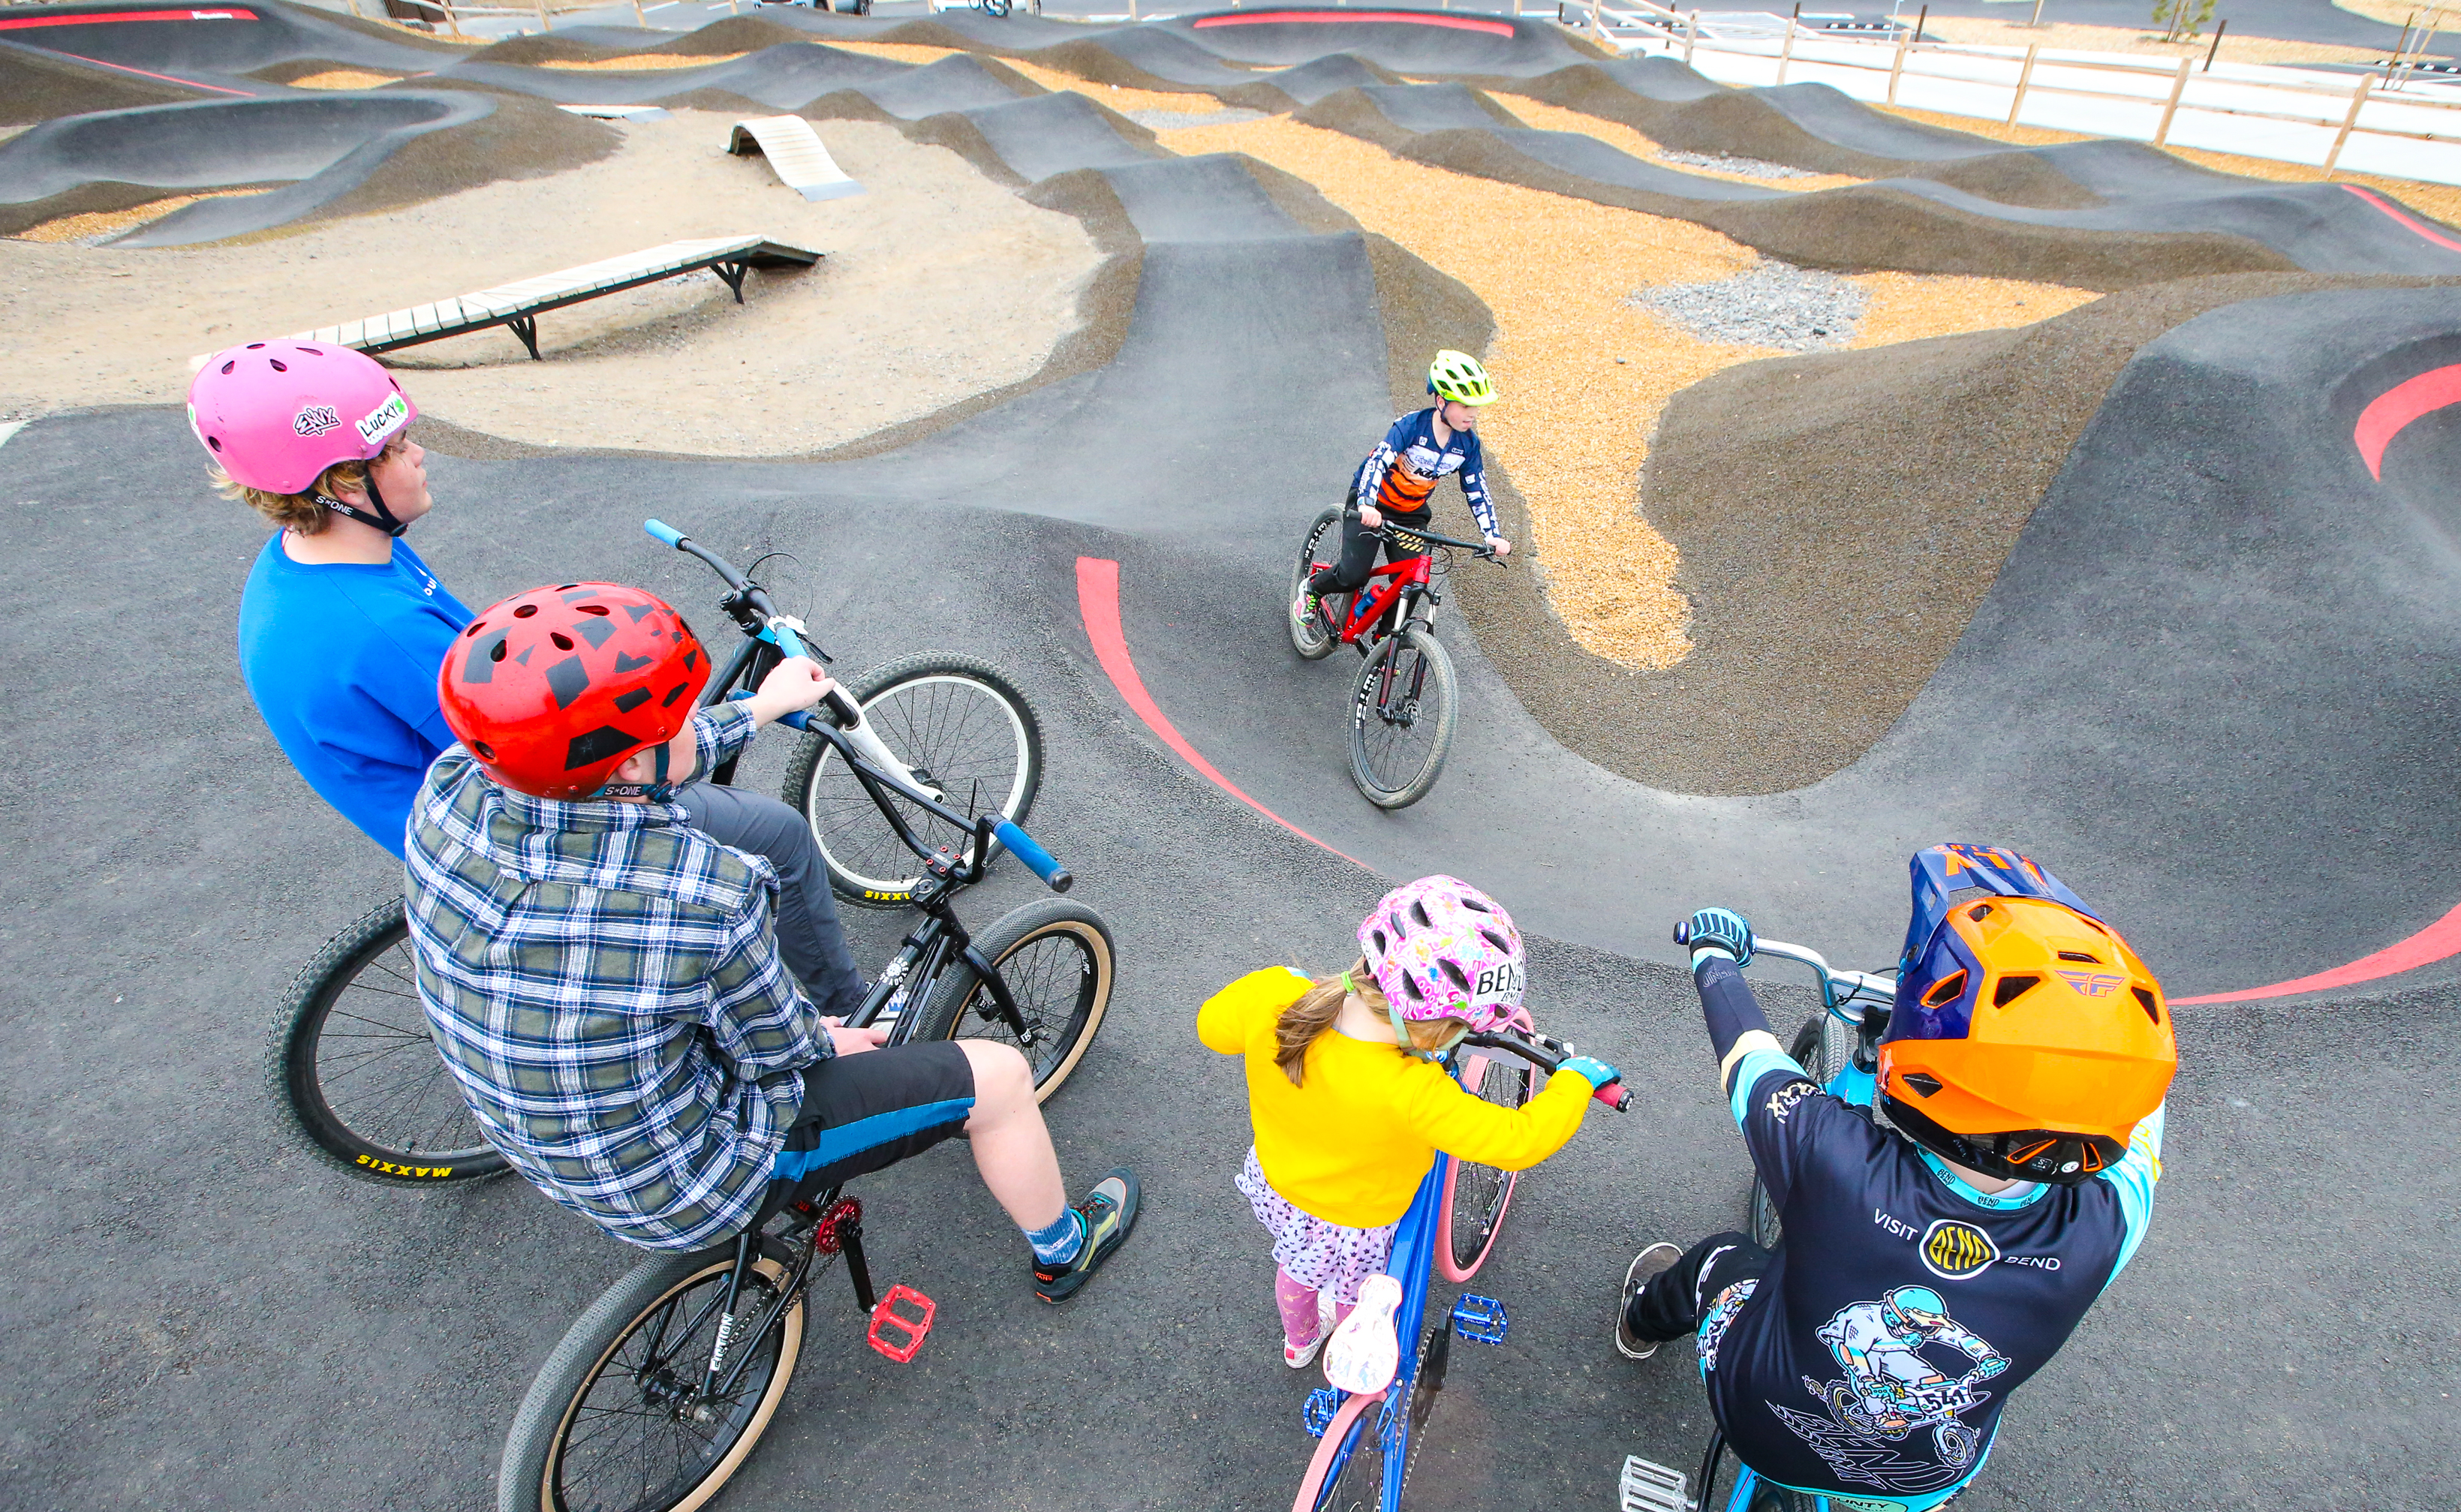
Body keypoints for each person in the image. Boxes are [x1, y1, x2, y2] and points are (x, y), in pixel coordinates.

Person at [402, 580, 1140, 1300]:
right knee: (1001, 1078)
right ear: (628, 762)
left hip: (525, 1127)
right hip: (684, 1182)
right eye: (679, 719)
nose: (693, 724)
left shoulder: (454, 787)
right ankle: (1064, 1249)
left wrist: (760, 708)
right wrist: (832, 1038)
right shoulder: (706, 893)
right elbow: (780, 1053)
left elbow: (649, 766)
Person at [191, 339, 872, 1018]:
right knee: (776, 834)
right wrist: (759, 708)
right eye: (396, 446)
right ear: (342, 486)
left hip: (430, 814)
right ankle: (844, 1012)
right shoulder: (380, 631)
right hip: (516, 825)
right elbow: (586, 761)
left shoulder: (309, 564)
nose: (419, 452)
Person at [1614, 845, 2177, 1512]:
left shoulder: (1833, 1154)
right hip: (1924, 1482)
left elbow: (1748, 1057)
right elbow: (2143, 1114)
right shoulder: (2110, 1226)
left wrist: (1713, 955)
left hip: (1762, 1426)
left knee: (1720, 1259)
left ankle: (1642, 1319)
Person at [1197, 875, 1616, 1366]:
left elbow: (1211, 1028)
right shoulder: (1414, 1092)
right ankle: (1352, 1343)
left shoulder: (1273, 995)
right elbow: (1519, 1140)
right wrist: (1574, 1084)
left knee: (1297, 1265)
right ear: (1438, 1029)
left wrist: (1287, 981)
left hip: (1281, 1184)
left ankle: (1301, 1339)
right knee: (1354, 1292)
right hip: (1358, 1223)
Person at [1292, 350, 1514, 643]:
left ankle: (1384, 641)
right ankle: (1313, 589)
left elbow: (1476, 488)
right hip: (1372, 505)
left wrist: (1492, 535)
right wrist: (1366, 504)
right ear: (1441, 401)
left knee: (1411, 582)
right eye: (1465, 405)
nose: (1472, 413)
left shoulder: (1468, 444)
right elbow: (1377, 463)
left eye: (1477, 406)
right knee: (1352, 576)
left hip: (1410, 514)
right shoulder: (1411, 427)